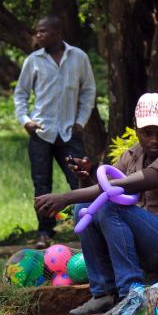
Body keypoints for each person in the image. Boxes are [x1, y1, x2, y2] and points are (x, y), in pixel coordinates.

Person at [35, 93, 158, 315]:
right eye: (147, 132)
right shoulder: (133, 154)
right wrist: (85, 178)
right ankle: (102, 294)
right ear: (135, 127)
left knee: (107, 204)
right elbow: (103, 191)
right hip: (143, 242)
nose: (153, 140)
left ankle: (131, 295)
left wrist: (64, 197)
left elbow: (120, 187)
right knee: (84, 207)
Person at [13, 15, 96, 248]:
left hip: (69, 132)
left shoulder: (78, 57)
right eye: (36, 31)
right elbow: (21, 93)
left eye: (42, 31)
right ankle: (45, 233)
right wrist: (25, 120)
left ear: (57, 33)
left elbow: (88, 90)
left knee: (78, 179)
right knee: (42, 184)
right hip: (41, 132)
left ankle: (88, 229)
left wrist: (81, 120)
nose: (37, 35)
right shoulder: (33, 61)